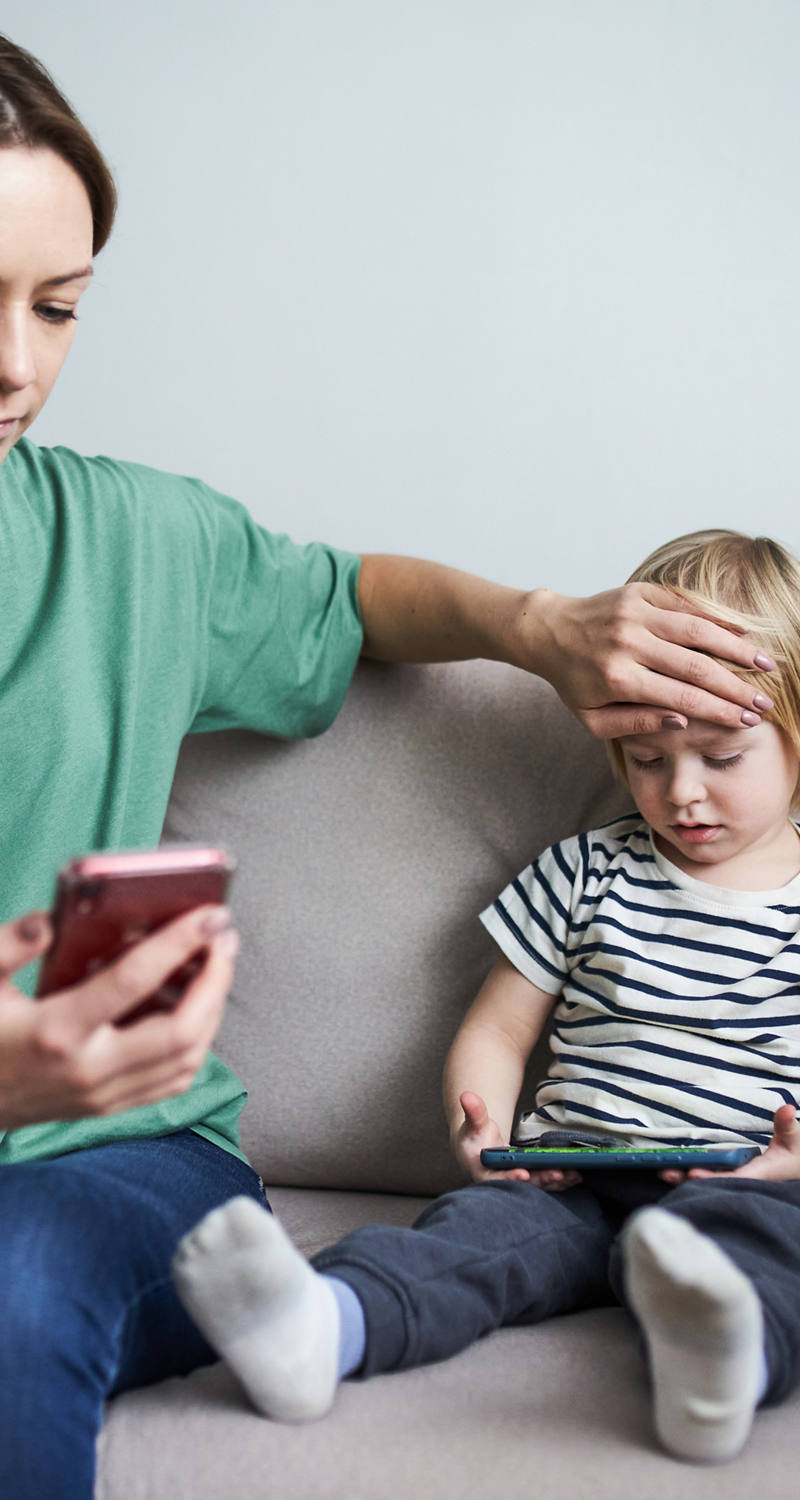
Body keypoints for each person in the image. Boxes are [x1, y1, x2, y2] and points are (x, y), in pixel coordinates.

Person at [0, 30, 779, 1498]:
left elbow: (350, 597)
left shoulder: (132, 543)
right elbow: (507, 1025)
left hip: (112, 1172)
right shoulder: (583, 887)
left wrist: (532, 624)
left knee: (16, 1276)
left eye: (57, 306)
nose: (15, 368)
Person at [175, 527, 800, 1467]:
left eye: (721, 757)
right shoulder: (588, 871)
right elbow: (500, 1031)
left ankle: (717, 1367)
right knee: (466, 1240)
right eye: (645, 758)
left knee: (764, 1253)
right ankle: (326, 1325)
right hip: (570, 1178)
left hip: (745, 1184)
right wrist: (480, 1124)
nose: (681, 794)